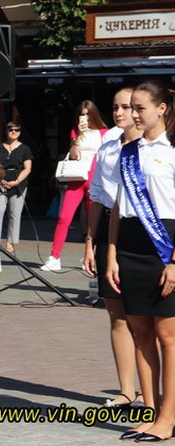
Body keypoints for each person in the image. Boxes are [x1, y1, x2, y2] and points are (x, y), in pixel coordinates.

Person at [106, 82, 175, 441]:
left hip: (165, 244)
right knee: (141, 333)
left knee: (168, 336)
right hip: (131, 244)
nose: (133, 114)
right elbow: (118, 206)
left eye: (140, 108)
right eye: (130, 107)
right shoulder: (128, 152)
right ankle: (149, 412)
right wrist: (112, 254)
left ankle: (168, 418)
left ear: (162, 108)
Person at [82, 88, 143, 410]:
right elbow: (96, 197)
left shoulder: (153, 149)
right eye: (116, 107)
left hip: (143, 231)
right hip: (108, 228)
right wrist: (91, 242)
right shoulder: (106, 149)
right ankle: (126, 390)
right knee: (117, 315)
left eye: (127, 107)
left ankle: (151, 388)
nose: (120, 113)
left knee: (145, 317)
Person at [42, 100, 107, 272]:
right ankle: (54, 257)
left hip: (95, 178)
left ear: (93, 114)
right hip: (77, 176)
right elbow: (72, 154)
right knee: (64, 217)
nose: (85, 117)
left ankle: (90, 255)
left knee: (93, 221)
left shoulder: (104, 132)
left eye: (87, 113)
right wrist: (78, 135)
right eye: (82, 113)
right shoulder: (75, 131)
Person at [0, 122, 33, 255]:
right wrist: (0, 179)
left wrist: (16, 182)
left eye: (17, 129)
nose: (13, 132)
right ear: (6, 131)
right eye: (11, 129)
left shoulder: (25, 149)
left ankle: (11, 241)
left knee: (14, 213)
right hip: (1, 181)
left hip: (18, 183)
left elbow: (28, 168)